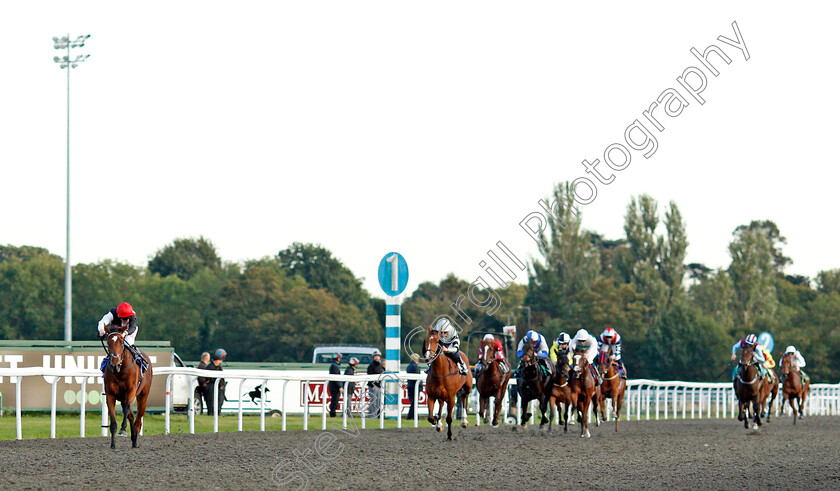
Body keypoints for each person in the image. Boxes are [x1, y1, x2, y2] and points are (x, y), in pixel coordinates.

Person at [97, 302, 146, 372]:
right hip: (116, 332)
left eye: (128, 318)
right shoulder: (112, 313)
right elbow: (102, 322)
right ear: (119, 316)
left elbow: (132, 327)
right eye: (125, 318)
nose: (127, 320)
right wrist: (101, 330)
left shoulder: (133, 315)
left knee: (127, 343)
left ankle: (139, 359)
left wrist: (125, 333)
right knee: (115, 344)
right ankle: (108, 360)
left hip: (129, 331)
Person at [204, 348, 227, 416]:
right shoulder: (210, 367)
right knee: (212, 403)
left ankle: (217, 414)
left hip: (219, 388)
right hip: (212, 388)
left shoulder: (218, 367)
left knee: (219, 402)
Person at [366, 350, 385, 418]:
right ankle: (371, 416)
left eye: (378, 356)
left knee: (378, 402)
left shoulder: (381, 366)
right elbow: (369, 376)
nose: (377, 358)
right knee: (373, 402)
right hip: (373, 386)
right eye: (375, 357)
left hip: (379, 386)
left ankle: (377, 415)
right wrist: (371, 385)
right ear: (373, 357)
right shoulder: (371, 366)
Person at [406, 353, 421, 420]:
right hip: (415, 387)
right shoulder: (416, 367)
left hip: (410, 386)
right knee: (414, 403)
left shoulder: (408, 366)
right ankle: (411, 416)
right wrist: (420, 387)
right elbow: (418, 378)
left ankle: (411, 416)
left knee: (412, 402)